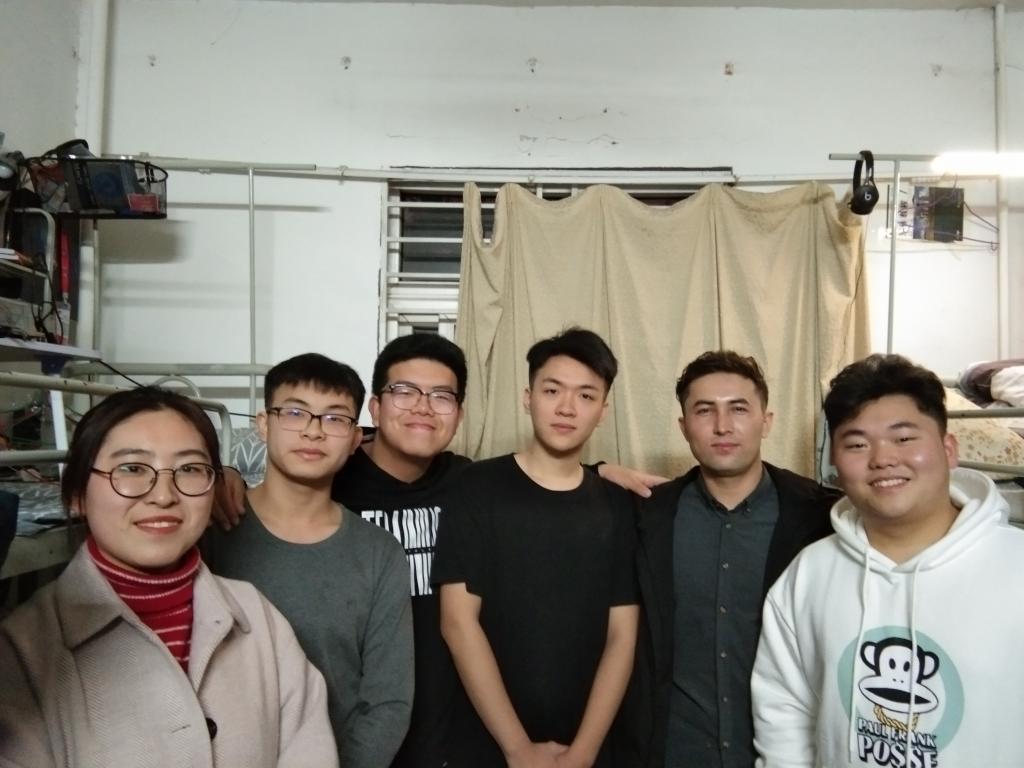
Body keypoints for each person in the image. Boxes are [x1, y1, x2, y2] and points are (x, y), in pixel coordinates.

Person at [214, 335, 665, 768]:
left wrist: (599, 472)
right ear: (374, 409)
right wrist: (223, 478)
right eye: (405, 391)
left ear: (460, 414)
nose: (423, 408)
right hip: (325, 727)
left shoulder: (466, 483)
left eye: (441, 396)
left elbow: (541, 484)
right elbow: (294, 470)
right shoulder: (333, 475)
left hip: (443, 733)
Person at [0, 387, 337, 768]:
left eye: (189, 469)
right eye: (132, 468)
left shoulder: (259, 618)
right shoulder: (21, 653)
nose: (163, 496)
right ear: (77, 493)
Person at [752, 353, 1024, 768]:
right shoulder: (808, 575)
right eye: (857, 444)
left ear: (949, 449)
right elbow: (784, 718)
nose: (882, 459)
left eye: (904, 438)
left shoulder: (1014, 567)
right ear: (835, 463)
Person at [432, 327, 640, 768]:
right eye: (552, 390)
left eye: (586, 395)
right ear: (528, 398)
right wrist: (518, 749)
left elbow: (622, 635)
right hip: (487, 744)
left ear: (603, 410)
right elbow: (457, 622)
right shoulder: (476, 486)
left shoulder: (617, 505)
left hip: (590, 746)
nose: (567, 407)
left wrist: (584, 752)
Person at [626, 350, 838, 768]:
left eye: (738, 409)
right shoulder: (648, 515)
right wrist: (599, 468)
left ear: (766, 421)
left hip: (783, 754)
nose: (722, 426)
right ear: (683, 426)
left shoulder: (820, 516)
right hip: (674, 751)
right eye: (704, 411)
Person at [204, 353, 413, 768]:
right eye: (295, 412)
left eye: (334, 418)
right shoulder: (210, 531)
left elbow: (388, 701)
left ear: (355, 439)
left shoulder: (379, 553)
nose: (313, 431)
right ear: (264, 424)